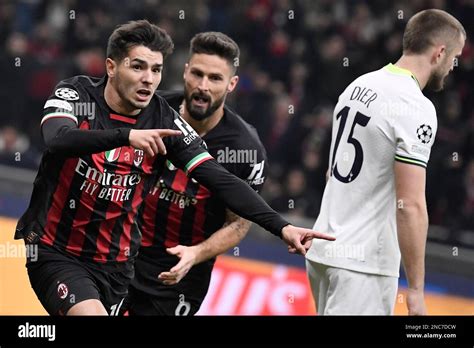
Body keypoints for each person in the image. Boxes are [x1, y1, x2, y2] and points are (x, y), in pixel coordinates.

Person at [15, 20, 334, 316]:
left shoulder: (167, 122)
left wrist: (283, 228)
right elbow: (57, 139)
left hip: (120, 267)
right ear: (111, 67)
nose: (148, 79)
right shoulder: (76, 95)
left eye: (155, 70)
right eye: (138, 67)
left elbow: (219, 179)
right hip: (56, 250)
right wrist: (126, 136)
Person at [305, 9, 465, 315]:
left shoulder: (358, 85)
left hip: (324, 250)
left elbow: (331, 173)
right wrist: (416, 290)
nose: (453, 66)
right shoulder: (414, 106)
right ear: (439, 52)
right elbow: (411, 204)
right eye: (454, 57)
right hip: (363, 265)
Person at [125, 32, 266, 316]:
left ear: (231, 84)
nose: (203, 86)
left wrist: (196, 253)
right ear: (185, 72)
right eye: (198, 74)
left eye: (215, 79)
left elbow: (238, 225)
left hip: (180, 278)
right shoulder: (152, 110)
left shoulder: (245, 150)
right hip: (120, 256)